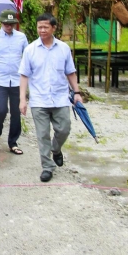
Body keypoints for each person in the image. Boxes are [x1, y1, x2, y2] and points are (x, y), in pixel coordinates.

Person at [19, 13, 83, 182]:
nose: (42, 30)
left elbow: (70, 72)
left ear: (53, 28)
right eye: (39, 27)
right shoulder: (30, 50)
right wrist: (22, 99)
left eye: (46, 27)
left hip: (60, 97)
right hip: (39, 99)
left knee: (64, 128)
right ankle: (47, 166)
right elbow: (24, 75)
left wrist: (76, 92)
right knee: (42, 135)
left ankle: (56, 149)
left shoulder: (63, 48)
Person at [0, 9, 29, 155]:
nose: (9, 26)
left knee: (16, 112)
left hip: (17, 80)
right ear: (1, 23)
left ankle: (13, 142)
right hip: (0, 80)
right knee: (2, 109)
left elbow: (27, 59)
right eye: (6, 24)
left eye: (11, 24)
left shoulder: (21, 37)